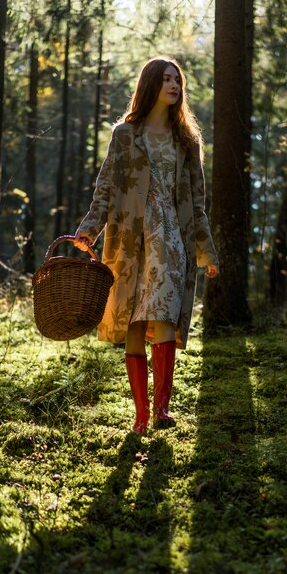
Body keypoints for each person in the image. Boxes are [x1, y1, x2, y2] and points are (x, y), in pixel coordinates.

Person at [74, 56, 219, 435]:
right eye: (167, 79)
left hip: (173, 238)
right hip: (130, 237)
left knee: (165, 313)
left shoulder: (187, 140)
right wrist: (90, 227)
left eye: (177, 80)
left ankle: (162, 409)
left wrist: (207, 249)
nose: (174, 85)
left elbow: (198, 202)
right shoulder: (126, 134)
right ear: (151, 84)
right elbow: (106, 187)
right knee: (135, 320)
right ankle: (140, 416)